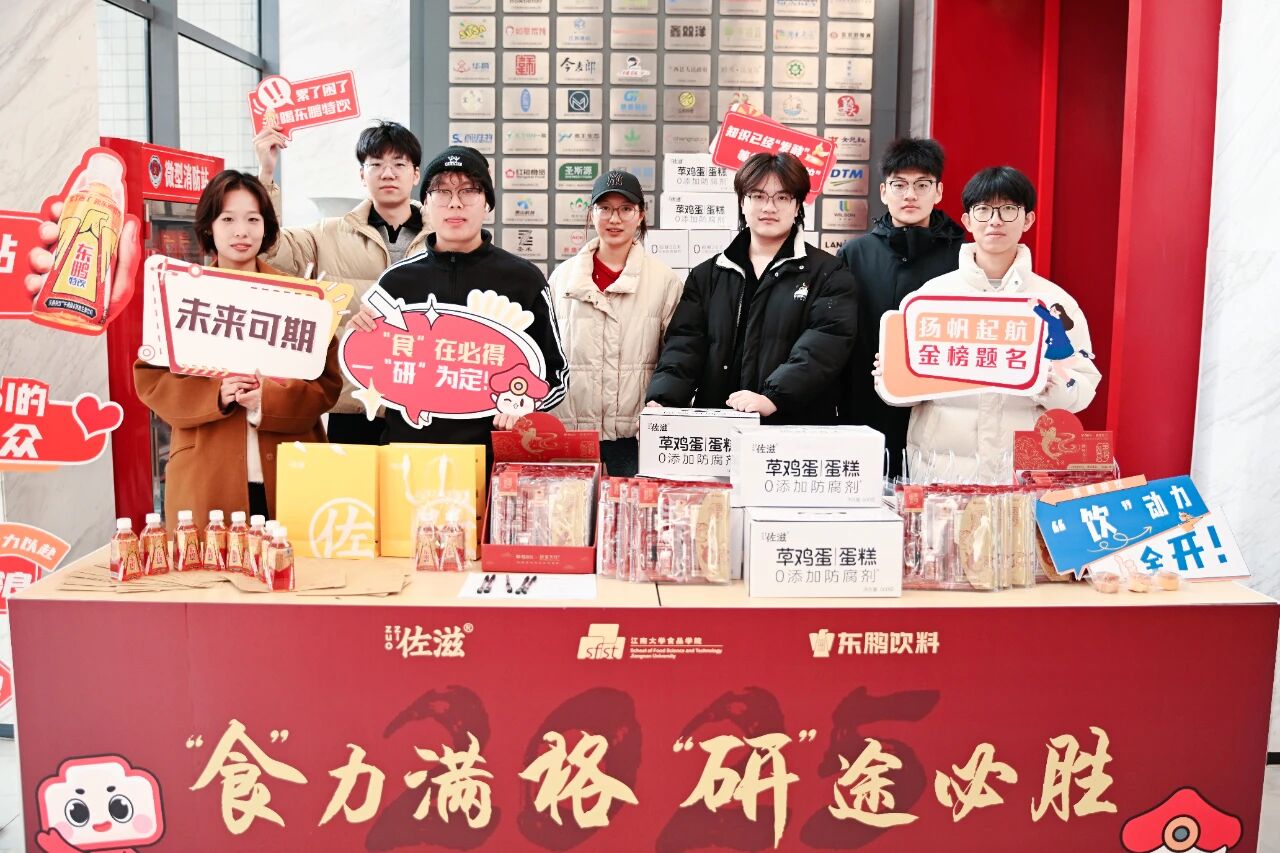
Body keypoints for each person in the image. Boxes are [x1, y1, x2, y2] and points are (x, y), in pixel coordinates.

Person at [133, 171, 343, 526]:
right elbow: (151, 379)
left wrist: (269, 399)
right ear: (209, 227)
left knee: (293, 558)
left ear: (267, 227)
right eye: (227, 219)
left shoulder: (301, 298)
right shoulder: (183, 293)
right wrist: (215, 394)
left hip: (291, 469)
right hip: (206, 476)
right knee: (212, 560)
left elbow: (327, 384)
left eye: (253, 219)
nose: (241, 231)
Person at [883, 166, 1101, 482]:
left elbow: (1082, 387)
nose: (995, 220)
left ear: (1028, 219)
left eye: (1008, 209)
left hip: (1020, 475)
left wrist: (1050, 384)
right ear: (968, 220)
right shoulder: (932, 297)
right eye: (983, 210)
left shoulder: (1054, 302)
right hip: (942, 472)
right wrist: (893, 374)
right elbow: (903, 391)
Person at [350, 145, 567, 450]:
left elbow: (557, 374)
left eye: (469, 191)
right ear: (426, 203)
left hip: (491, 459)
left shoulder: (523, 279)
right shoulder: (396, 282)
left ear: (487, 203)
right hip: (407, 456)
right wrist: (360, 338)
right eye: (441, 191)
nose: (455, 203)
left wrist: (527, 404)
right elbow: (372, 370)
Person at [646, 152, 856, 423]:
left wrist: (774, 396)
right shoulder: (707, 275)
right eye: (758, 196)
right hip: (719, 427)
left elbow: (824, 347)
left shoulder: (829, 273)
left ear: (797, 206)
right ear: (742, 203)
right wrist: (664, 400)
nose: (769, 207)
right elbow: (685, 345)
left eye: (782, 197)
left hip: (794, 428)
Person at [254, 120, 429, 444]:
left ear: (415, 174)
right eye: (376, 164)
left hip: (425, 404)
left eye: (399, 164)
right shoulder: (327, 234)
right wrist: (266, 174)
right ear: (362, 174)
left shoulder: (441, 238)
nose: (387, 174)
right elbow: (270, 250)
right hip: (353, 403)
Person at [837, 137, 965, 477]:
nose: (910, 195)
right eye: (900, 185)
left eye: (922, 185)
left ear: (938, 192)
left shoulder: (963, 256)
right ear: (883, 192)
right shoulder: (855, 254)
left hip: (939, 406)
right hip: (865, 401)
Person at [548, 170, 683, 476]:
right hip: (572, 433)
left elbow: (676, 356)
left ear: (641, 215)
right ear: (591, 213)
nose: (614, 219)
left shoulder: (664, 281)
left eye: (625, 209)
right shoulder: (562, 278)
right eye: (605, 208)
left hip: (634, 436)